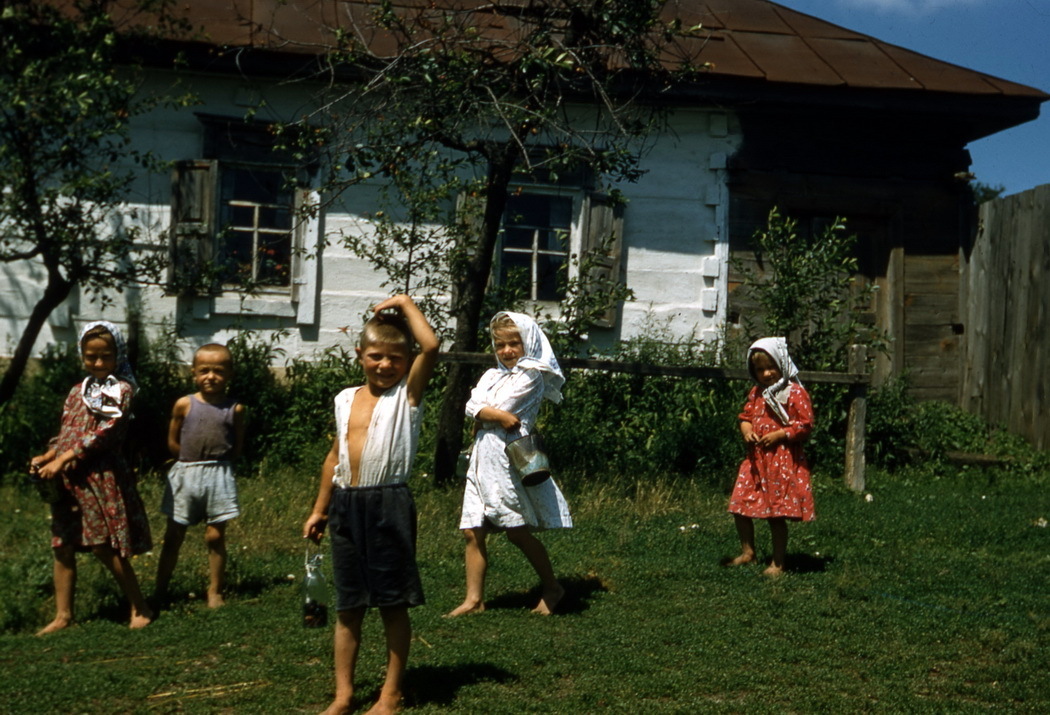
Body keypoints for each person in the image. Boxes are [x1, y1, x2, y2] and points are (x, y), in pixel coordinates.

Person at [303, 295, 439, 715]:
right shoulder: (345, 398)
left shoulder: (407, 397)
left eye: (395, 358)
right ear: (359, 354)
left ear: (406, 360)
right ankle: (343, 694)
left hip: (388, 503)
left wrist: (403, 303)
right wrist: (320, 508)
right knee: (348, 604)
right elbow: (334, 456)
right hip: (346, 504)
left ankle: (391, 694)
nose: (385, 365)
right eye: (376, 356)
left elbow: (432, 346)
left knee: (392, 602)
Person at [29, 320, 154, 634]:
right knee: (63, 544)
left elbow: (104, 434)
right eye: (91, 356)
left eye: (105, 356)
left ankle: (140, 606)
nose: (98, 363)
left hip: (98, 476)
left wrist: (66, 458)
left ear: (118, 354)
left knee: (102, 544)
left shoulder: (120, 389)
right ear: (82, 355)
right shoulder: (78, 390)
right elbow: (68, 432)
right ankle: (63, 615)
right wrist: (48, 456)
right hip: (68, 478)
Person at [446, 311, 572, 618]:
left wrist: (488, 413)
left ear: (527, 342)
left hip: (507, 457)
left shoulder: (531, 375)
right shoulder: (492, 375)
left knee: (515, 529)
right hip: (481, 458)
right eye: (500, 345)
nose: (507, 351)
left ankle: (552, 586)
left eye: (514, 343)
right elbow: (472, 405)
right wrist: (489, 414)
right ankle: (474, 599)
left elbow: (505, 411)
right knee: (473, 530)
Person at [154, 343, 246, 609]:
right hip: (186, 473)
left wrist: (224, 464)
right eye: (204, 370)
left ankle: (215, 590)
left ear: (229, 374)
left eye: (218, 371)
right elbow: (173, 439)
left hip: (219, 474)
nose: (211, 377)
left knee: (215, 536)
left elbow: (237, 444)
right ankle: (161, 588)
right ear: (193, 372)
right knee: (173, 535)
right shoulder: (185, 404)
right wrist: (187, 463)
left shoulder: (235, 409)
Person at [726, 337, 815, 576]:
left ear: (782, 364)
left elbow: (805, 425)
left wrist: (780, 434)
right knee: (739, 505)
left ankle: (778, 562)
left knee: (776, 514)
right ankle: (748, 552)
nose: (766, 374)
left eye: (771, 367)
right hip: (755, 461)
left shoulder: (794, 392)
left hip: (781, 462)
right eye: (759, 369)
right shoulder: (757, 392)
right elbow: (745, 416)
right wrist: (747, 430)